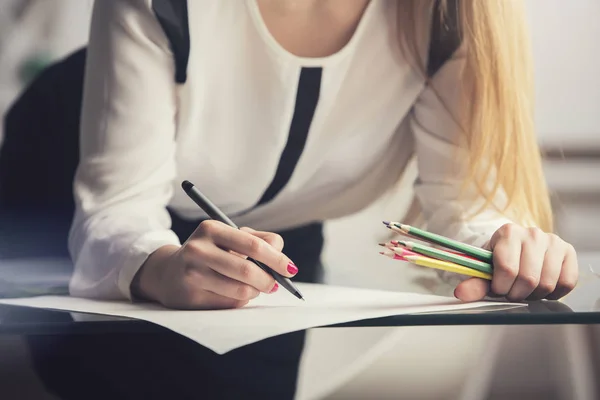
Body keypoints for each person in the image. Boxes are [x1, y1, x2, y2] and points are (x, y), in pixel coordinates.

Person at [53, 0, 578, 398]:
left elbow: (465, 206)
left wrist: (500, 248)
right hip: (63, 190)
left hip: (272, 250)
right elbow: (115, 207)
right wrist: (158, 268)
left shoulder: (448, 16)